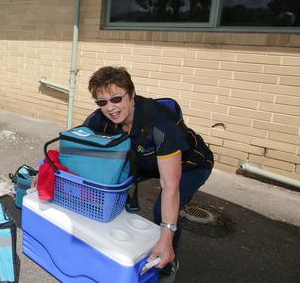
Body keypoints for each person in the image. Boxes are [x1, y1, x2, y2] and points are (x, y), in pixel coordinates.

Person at [83, 66, 213, 275]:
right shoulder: (101, 117)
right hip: (145, 160)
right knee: (111, 190)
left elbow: (170, 185)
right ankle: (122, 253)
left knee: (162, 209)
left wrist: (166, 237)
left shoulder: (160, 123)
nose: (110, 108)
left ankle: (168, 260)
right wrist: (46, 171)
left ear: (132, 95)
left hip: (190, 164)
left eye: (116, 99)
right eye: (102, 102)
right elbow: (76, 147)